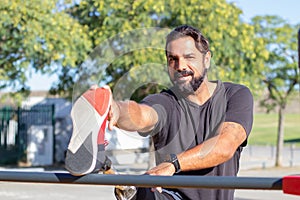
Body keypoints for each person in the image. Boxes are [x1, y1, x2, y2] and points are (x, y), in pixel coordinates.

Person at [66, 25, 253, 200]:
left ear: (206, 59)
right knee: (144, 191)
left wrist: (173, 164)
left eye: (189, 57)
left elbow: (225, 145)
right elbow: (141, 115)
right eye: (173, 59)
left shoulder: (235, 95)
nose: (180, 66)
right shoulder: (165, 101)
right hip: (170, 196)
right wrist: (115, 109)